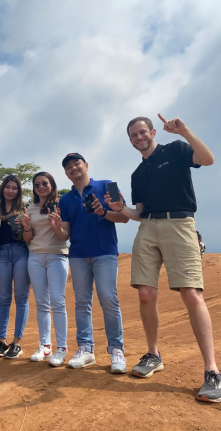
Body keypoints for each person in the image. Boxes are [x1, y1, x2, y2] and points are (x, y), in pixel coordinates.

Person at [105, 115, 221, 403]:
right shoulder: (137, 174)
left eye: (142, 132)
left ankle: (212, 370)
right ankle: (153, 354)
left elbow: (208, 160)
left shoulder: (176, 150)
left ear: (152, 131)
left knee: (191, 293)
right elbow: (140, 213)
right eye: (133, 135)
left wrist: (184, 131)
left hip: (180, 223)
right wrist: (122, 208)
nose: (138, 138)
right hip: (148, 228)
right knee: (145, 293)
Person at [53, 153, 128, 373]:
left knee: (108, 298)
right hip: (77, 255)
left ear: (86, 165)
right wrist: (57, 226)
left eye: (77, 164)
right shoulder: (65, 200)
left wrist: (103, 212)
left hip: (105, 252)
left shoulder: (108, 185)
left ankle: (116, 349)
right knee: (82, 302)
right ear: (66, 173)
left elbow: (124, 217)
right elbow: (64, 234)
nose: (73, 168)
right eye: (68, 167)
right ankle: (86, 348)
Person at [23, 172, 69, 367]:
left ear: (52, 184)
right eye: (37, 184)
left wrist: (56, 226)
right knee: (42, 303)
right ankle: (45, 345)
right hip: (35, 256)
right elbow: (28, 239)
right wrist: (26, 227)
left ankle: (62, 348)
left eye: (45, 183)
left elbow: (64, 236)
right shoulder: (30, 209)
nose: (41, 187)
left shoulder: (62, 205)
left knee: (58, 301)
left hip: (58, 255)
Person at [0, 175, 30, 359]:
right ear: (2, 189)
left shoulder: (23, 210)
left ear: (18, 191)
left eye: (14, 188)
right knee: (3, 298)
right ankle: (2, 341)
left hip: (21, 253)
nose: (10, 190)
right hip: (0, 255)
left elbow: (28, 234)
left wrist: (24, 226)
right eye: (7, 187)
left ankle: (16, 343)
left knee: (21, 297)